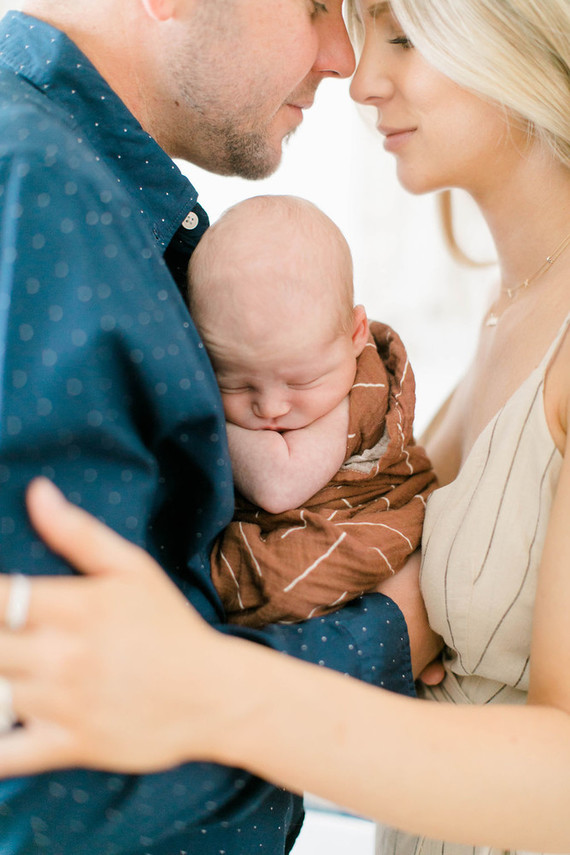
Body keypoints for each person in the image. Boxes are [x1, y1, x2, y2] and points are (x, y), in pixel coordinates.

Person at [2, 0, 570, 851]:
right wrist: (381, 632)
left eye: (404, 36)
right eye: (318, 8)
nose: (355, 74)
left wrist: (214, 684)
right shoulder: (42, 191)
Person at [188, 193, 436, 627]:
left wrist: (200, 420)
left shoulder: (359, 393)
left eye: (300, 382)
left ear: (356, 334)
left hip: (368, 520)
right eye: (235, 383)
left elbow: (279, 485)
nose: (271, 407)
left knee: (280, 578)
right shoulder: (311, 364)